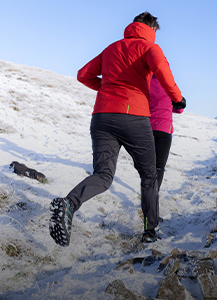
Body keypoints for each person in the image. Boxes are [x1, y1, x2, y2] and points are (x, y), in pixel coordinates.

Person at [49, 12, 186, 247]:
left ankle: (69, 204)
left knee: (103, 175)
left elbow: (83, 75)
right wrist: (178, 99)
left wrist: (107, 86)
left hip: (101, 116)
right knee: (149, 176)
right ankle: (150, 231)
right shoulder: (149, 48)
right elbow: (163, 73)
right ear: (152, 29)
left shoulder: (111, 48)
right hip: (133, 117)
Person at [149, 74, 184, 191]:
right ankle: (153, 194)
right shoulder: (170, 85)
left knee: (148, 165)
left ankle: (146, 191)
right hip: (164, 130)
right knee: (159, 166)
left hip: (147, 128)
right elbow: (180, 108)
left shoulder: (145, 82)